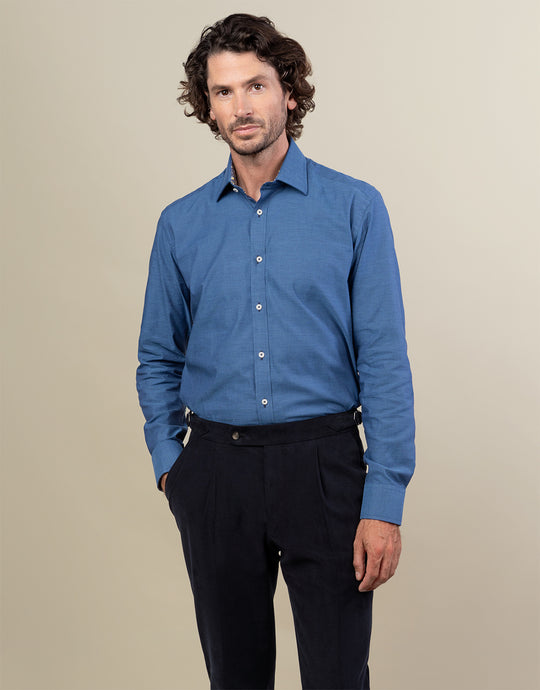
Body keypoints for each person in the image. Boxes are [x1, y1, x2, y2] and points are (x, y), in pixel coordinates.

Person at [136, 13, 415, 690]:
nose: (241, 106)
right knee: (234, 677)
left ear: (289, 92)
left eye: (255, 86)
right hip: (215, 474)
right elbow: (158, 357)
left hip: (325, 468)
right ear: (208, 106)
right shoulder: (180, 224)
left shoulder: (355, 208)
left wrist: (384, 497)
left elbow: (383, 359)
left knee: (337, 676)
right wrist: (173, 466)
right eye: (223, 91)